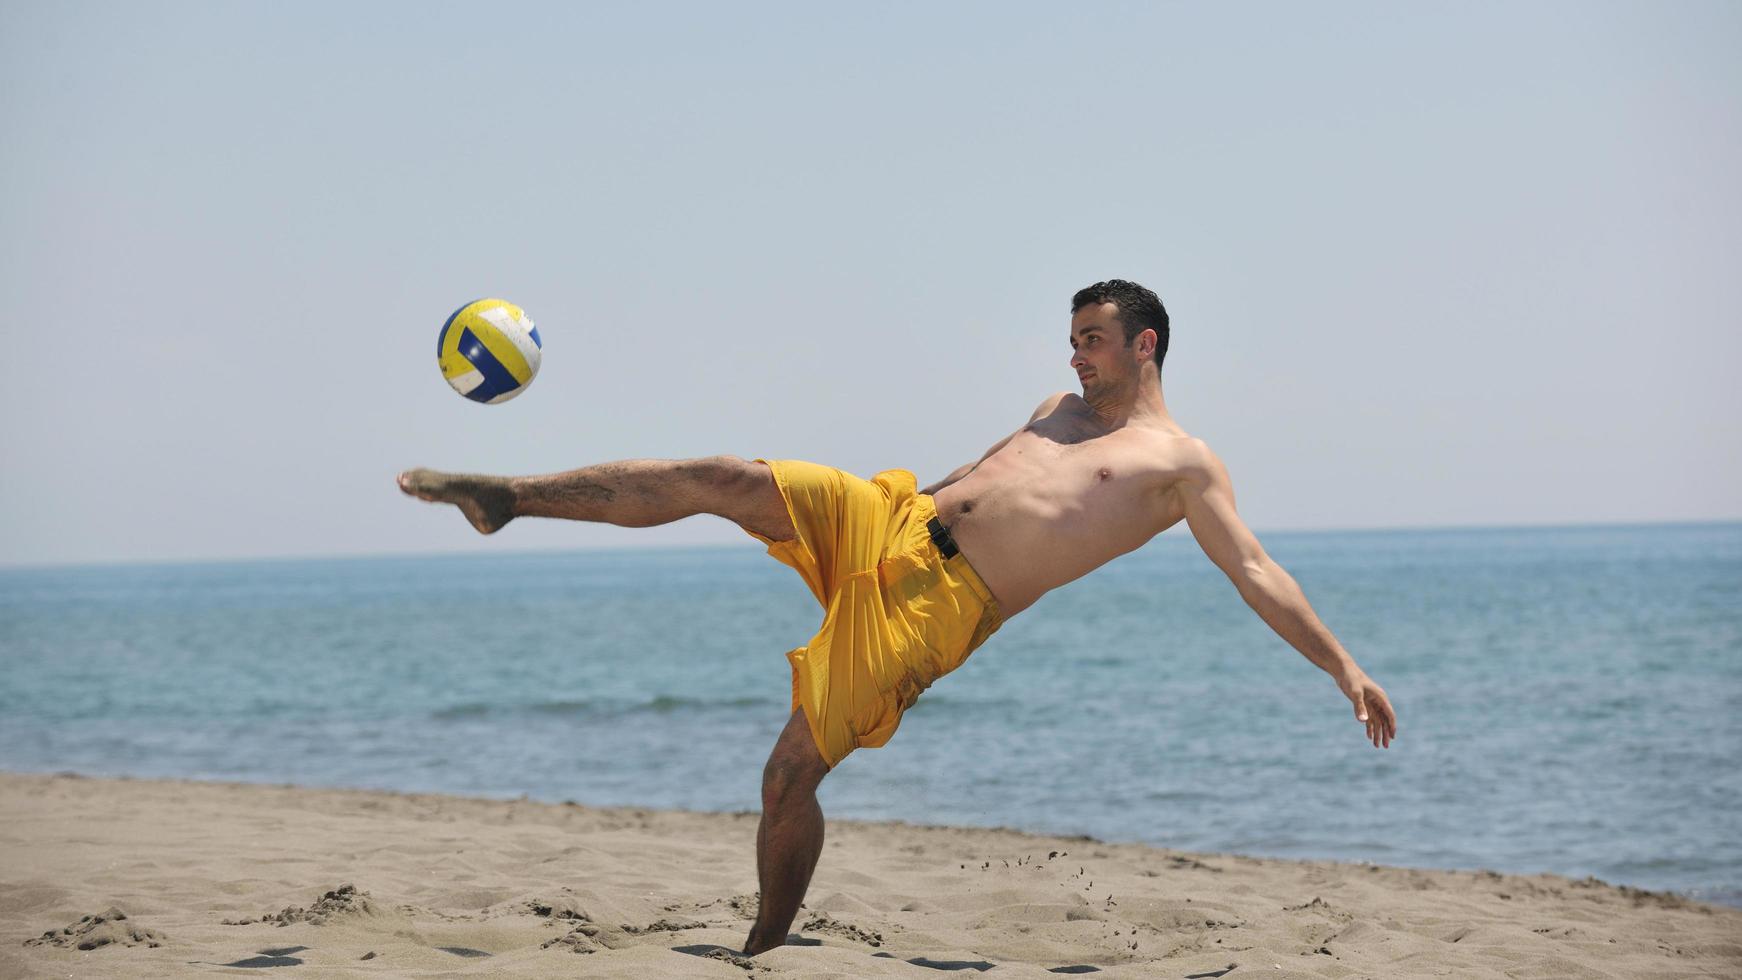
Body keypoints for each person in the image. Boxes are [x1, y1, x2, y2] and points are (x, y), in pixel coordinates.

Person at [397, 278, 1399, 956]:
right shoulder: (1055, 404)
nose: (1076, 354)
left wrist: (1342, 667)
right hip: (894, 515)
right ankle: (508, 494)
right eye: (1071, 339)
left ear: (1144, 343)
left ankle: (763, 947)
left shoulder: (1177, 464)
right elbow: (981, 477)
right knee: (723, 476)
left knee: (789, 770)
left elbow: (1255, 567)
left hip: (938, 606)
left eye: (1092, 338)